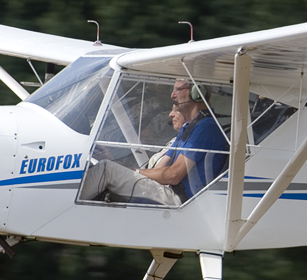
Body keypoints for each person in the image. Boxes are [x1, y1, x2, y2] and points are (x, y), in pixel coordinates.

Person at [80, 79, 228, 205]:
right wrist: (121, 167)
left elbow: (173, 175)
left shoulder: (206, 127)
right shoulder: (188, 128)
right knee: (106, 167)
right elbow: (160, 168)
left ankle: (61, 211)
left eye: (178, 90)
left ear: (197, 92)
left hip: (181, 201)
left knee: (106, 170)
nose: (172, 95)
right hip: (169, 191)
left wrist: (130, 171)